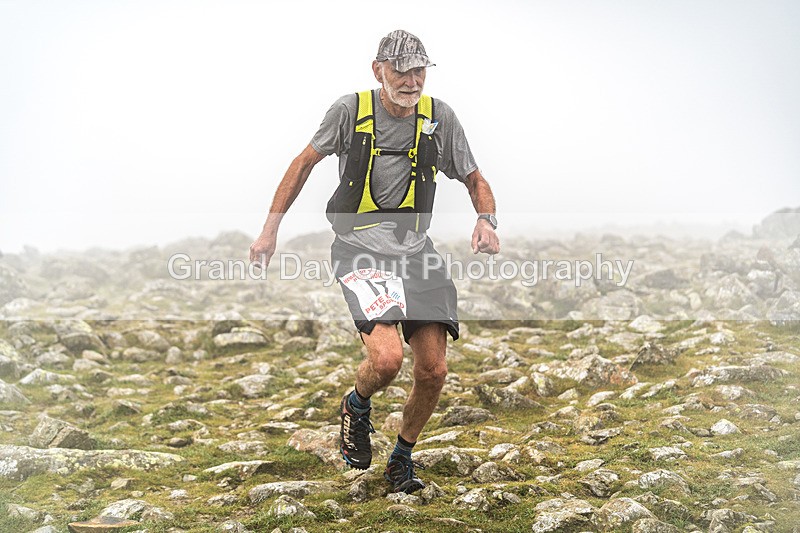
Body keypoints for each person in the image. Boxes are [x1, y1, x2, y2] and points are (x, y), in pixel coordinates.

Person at [249, 29, 500, 494]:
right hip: (360, 251)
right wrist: (270, 230)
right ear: (378, 70)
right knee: (386, 361)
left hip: (416, 253)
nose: (410, 81)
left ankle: (401, 457)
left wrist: (486, 220)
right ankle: (357, 404)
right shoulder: (350, 111)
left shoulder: (439, 117)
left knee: (433, 371)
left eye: (418, 70)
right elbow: (303, 163)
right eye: (400, 71)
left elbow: (474, 176)